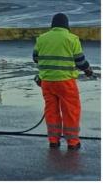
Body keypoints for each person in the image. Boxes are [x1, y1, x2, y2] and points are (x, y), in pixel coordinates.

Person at [33, 13, 93, 150]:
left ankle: (53, 140)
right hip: (66, 82)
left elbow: (35, 58)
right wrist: (88, 70)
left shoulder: (42, 39)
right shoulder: (72, 39)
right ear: (66, 25)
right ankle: (72, 142)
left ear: (52, 25)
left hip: (47, 82)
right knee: (70, 111)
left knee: (51, 111)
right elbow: (80, 61)